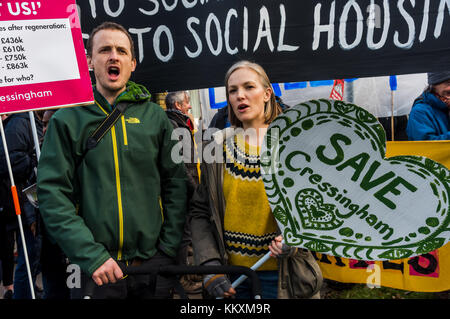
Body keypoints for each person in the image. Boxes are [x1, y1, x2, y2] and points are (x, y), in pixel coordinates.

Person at [37, 22, 187, 299]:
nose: (113, 56)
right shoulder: (66, 119)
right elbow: (53, 194)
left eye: (121, 50)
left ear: (132, 63)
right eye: (104, 50)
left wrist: (167, 249)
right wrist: (90, 255)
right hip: (94, 270)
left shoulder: (155, 117)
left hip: (151, 267)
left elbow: (176, 185)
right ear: (90, 61)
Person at [190, 60, 322, 299]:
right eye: (233, 90)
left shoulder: (295, 144)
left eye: (249, 87)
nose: (240, 95)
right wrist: (210, 267)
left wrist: (296, 238)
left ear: (267, 94)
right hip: (231, 279)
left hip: (283, 277)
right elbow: (200, 211)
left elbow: (321, 205)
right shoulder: (216, 147)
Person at [0, 111, 43, 299]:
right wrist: (37, 159)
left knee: (33, 257)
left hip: (29, 202)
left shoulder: (31, 121)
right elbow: (9, 162)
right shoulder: (20, 123)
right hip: (23, 203)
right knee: (28, 256)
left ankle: (26, 288)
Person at [164, 91, 202, 294]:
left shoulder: (180, 123)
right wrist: (193, 187)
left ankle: (188, 272)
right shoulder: (173, 126)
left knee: (187, 231)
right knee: (184, 234)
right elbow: (179, 164)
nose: (190, 107)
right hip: (181, 189)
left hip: (186, 186)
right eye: (187, 103)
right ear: (178, 106)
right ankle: (182, 279)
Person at [406, 71, 450, 140]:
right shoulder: (420, 112)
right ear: (434, 85)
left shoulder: (446, 106)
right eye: (448, 82)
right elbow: (424, 147)